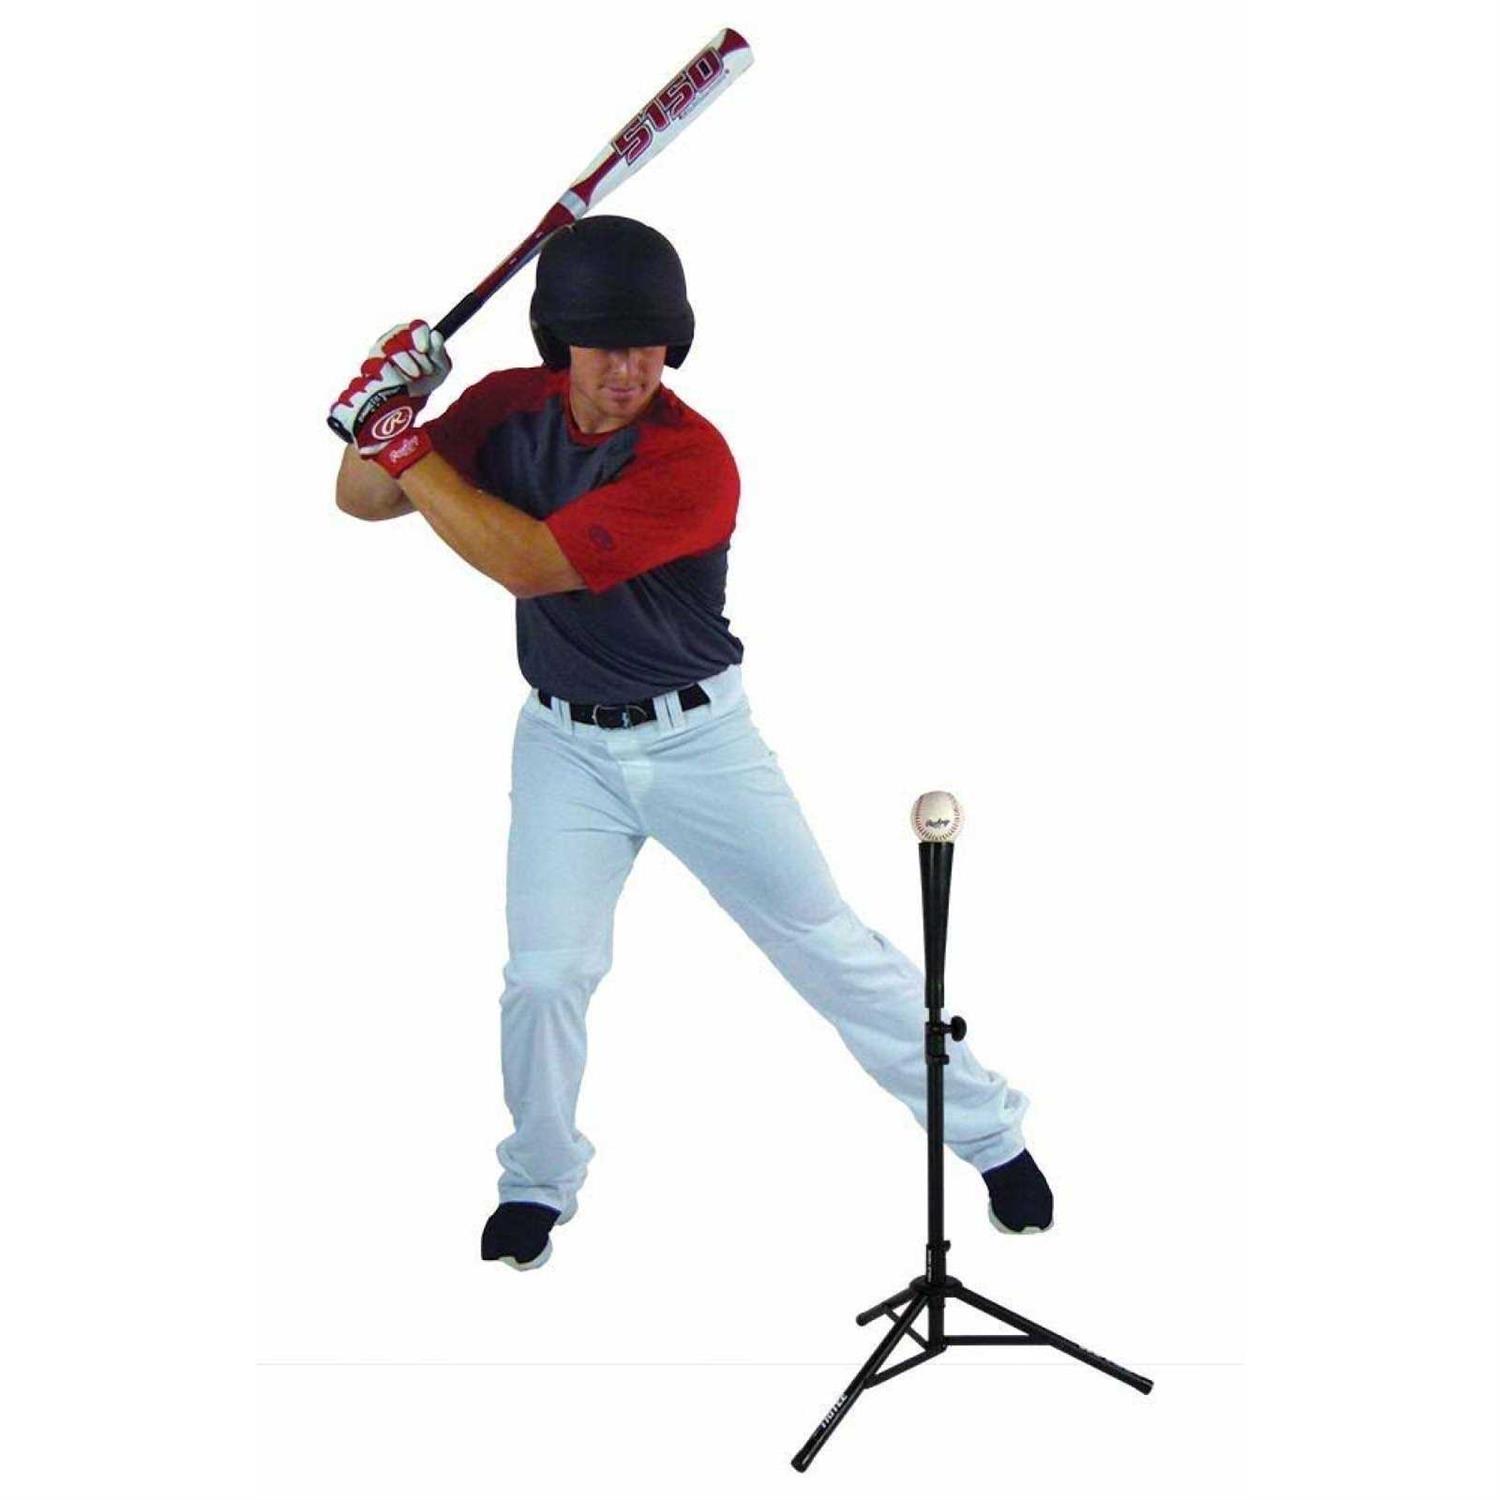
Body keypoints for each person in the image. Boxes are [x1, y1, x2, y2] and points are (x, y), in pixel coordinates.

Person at [329, 216, 1053, 1270]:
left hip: (699, 741)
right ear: (558, 343)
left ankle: (991, 1136)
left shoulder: (692, 459)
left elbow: (526, 562)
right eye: (604, 346)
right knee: (544, 976)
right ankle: (537, 1181)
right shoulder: (505, 407)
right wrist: (387, 419)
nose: (629, 370)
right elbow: (362, 501)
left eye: (650, 346)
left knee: (826, 947)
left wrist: (401, 436)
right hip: (562, 745)